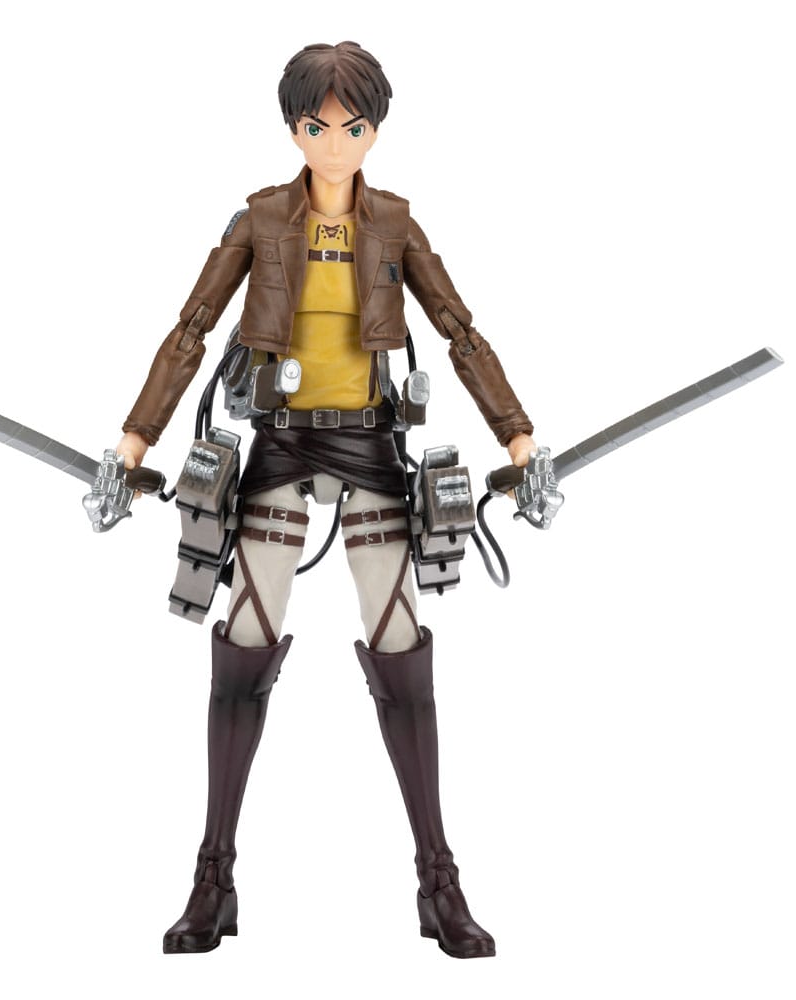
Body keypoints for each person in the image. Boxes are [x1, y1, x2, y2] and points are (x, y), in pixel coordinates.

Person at [115, 41, 537, 959]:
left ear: (375, 130)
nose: (335, 142)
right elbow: (191, 329)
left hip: (372, 443)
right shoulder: (262, 218)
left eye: (353, 125)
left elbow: (460, 331)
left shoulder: (396, 224)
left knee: (402, 649)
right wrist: (133, 442)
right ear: (293, 128)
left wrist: (519, 438)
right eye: (318, 125)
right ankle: (213, 878)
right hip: (280, 441)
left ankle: (439, 884)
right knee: (243, 642)